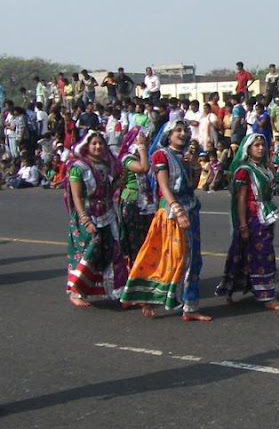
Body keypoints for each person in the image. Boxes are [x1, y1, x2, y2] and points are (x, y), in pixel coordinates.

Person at [120, 120, 211, 321]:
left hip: (190, 208)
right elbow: (164, 186)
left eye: (185, 131)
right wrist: (178, 211)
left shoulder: (185, 156)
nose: (183, 134)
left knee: (193, 258)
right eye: (177, 130)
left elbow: (192, 185)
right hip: (172, 211)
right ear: (168, 135)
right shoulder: (161, 155)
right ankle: (149, 297)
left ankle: (190, 306)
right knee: (171, 259)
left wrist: (195, 164)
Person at [215, 133, 279, 310]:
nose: (260, 148)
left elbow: (276, 183)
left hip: (266, 214)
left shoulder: (263, 168)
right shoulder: (244, 171)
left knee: (245, 252)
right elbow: (240, 198)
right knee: (262, 255)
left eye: (262, 145)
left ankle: (233, 288)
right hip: (252, 217)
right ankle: (267, 296)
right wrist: (242, 224)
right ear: (248, 149)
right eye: (256, 145)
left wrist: (272, 168)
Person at [64, 130, 128, 307]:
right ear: (87, 146)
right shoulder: (78, 167)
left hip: (107, 214)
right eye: (94, 143)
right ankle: (76, 291)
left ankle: (116, 290)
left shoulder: (107, 165)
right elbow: (76, 197)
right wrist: (85, 220)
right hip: (88, 215)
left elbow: (109, 189)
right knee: (88, 254)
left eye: (100, 143)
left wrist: (118, 183)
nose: (98, 146)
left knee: (113, 251)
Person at [117, 127, 156, 268]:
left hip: (147, 202)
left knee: (147, 239)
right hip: (133, 202)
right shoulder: (127, 158)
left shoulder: (145, 156)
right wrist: (141, 147)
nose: (146, 141)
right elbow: (142, 168)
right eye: (143, 138)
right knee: (135, 241)